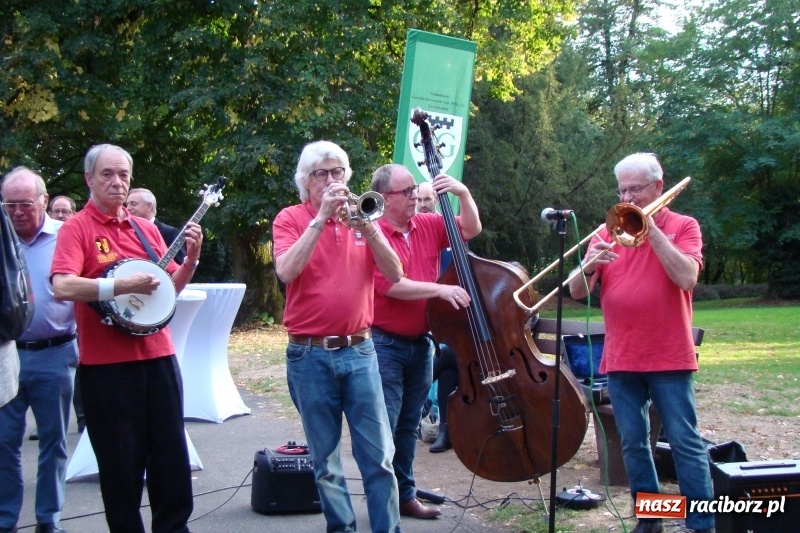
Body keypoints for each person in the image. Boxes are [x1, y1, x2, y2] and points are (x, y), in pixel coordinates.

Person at [51, 144, 203, 533]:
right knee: (121, 469)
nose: (117, 182)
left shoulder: (145, 228)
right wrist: (119, 286)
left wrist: (190, 260)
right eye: (107, 174)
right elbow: (63, 286)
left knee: (171, 460)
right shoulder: (76, 228)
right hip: (107, 368)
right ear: (89, 179)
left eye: (123, 175)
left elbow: (167, 291)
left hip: (159, 358)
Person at [568, 153, 714, 533]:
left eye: (636, 189)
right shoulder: (606, 233)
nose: (628, 198)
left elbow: (686, 277)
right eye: (622, 190)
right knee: (633, 445)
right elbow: (577, 291)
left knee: (685, 444)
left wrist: (651, 229)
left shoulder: (684, 225)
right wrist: (589, 264)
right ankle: (651, 520)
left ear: (658, 188)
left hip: (669, 355)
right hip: (621, 356)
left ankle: (701, 523)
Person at [273, 140, 404, 533]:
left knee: (379, 456)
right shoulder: (291, 218)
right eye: (321, 174)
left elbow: (395, 273)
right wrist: (321, 219)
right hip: (309, 355)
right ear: (306, 182)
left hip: (361, 350)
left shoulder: (364, 218)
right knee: (326, 460)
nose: (331, 181)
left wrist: (369, 229)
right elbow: (285, 271)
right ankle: (342, 528)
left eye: (338, 172)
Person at [370, 163, 481, 518]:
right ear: (384, 198)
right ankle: (383, 503)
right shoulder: (373, 232)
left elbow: (470, 228)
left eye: (414, 190)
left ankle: (404, 496)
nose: (415, 196)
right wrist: (440, 289)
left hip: (420, 343)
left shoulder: (429, 223)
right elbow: (391, 285)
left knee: (407, 425)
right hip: (384, 343)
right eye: (406, 192)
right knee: (384, 425)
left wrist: (462, 193)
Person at [0, 167, 77, 533]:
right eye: (8, 204)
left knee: (54, 441)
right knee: (3, 443)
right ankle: (5, 520)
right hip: (6, 354)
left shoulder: (67, 236)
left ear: (44, 201)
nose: (15, 211)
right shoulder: (1, 237)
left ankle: (48, 519)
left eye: (24, 204)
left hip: (55, 351)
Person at [126, 187, 186, 264]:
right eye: (127, 204)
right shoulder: (127, 230)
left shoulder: (170, 233)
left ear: (149, 207)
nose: (128, 208)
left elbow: (180, 265)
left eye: (133, 204)